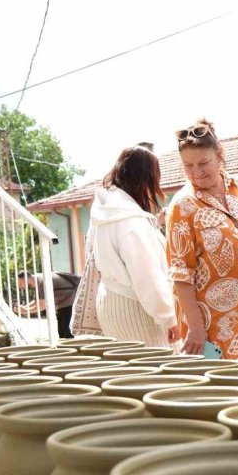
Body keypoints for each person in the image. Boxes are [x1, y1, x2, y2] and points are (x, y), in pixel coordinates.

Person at [167, 119, 238, 367]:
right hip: (211, 325)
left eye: (203, 163)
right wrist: (195, 328)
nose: (197, 172)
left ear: (219, 154)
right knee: (219, 391)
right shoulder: (182, 205)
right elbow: (181, 274)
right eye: (188, 166)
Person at [88, 145, 179, 346]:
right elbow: (147, 276)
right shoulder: (132, 223)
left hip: (110, 301)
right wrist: (170, 318)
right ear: (144, 179)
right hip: (136, 307)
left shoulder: (107, 212)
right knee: (156, 372)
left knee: (126, 371)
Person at [14, 270, 79, 339]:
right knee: (62, 332)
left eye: (21, 283)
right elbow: (37, 300)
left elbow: (43, 305)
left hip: (69, 302)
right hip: (63, 304)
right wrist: (24, 307)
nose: (21, 287)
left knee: (66, 332)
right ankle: (66, 347)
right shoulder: (39, 279)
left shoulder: (43, 282)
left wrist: (25, 311)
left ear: (26, 279)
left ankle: (71, 348)